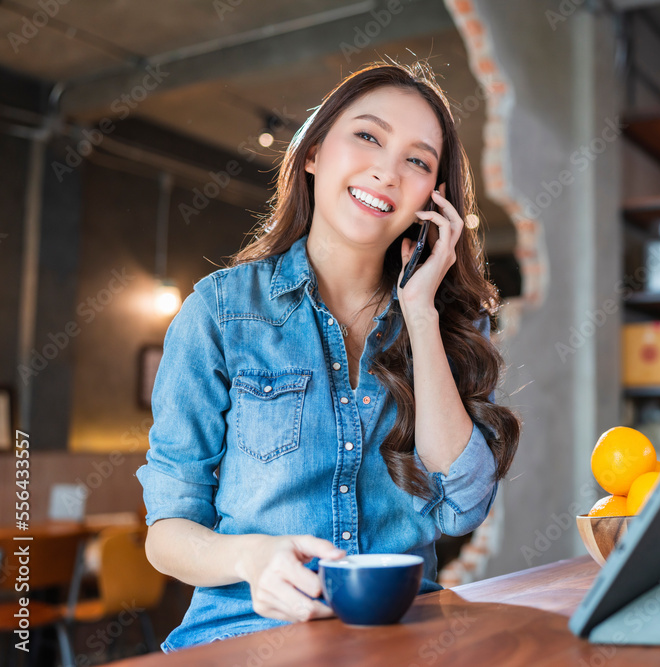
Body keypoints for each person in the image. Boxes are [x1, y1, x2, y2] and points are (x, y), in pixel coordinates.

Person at [136, 61, 520, 653]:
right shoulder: (219, 312)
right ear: (313, 153)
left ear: (433, 197)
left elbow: (460, 508)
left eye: (418, 161)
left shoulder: (454, 326)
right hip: (245, 640)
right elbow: (166, 532)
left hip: (402, 640)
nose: (387, 172)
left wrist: (420, 313)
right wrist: (250, 556)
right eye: (368, 136)